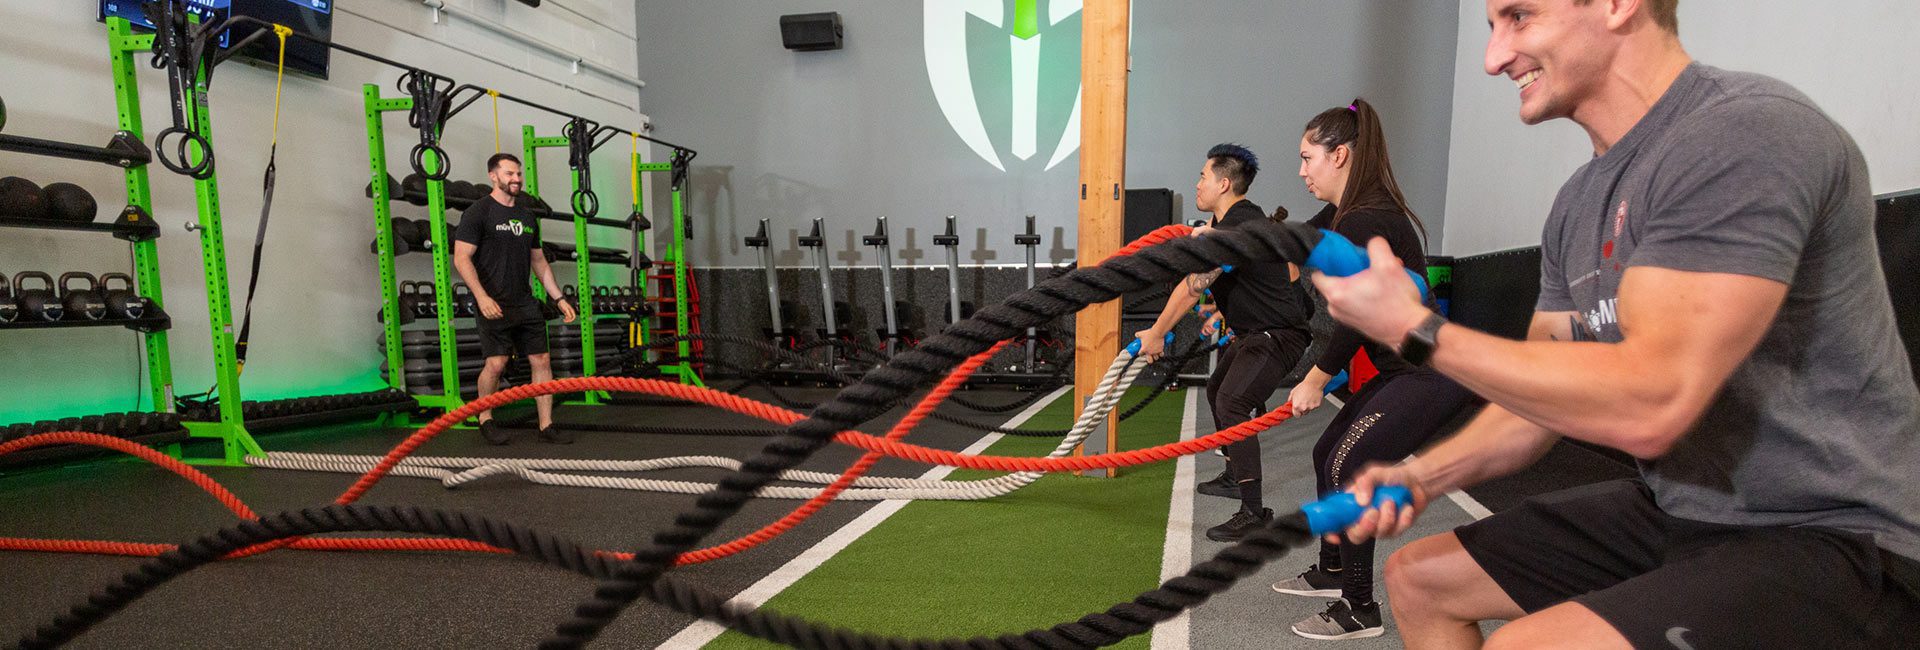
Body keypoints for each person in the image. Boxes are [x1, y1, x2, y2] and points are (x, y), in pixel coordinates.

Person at [1315, 1, 1920, 648]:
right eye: (1491, 27)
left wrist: (1417, 330)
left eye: (1519, 16)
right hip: (1683, 508)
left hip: (1840, 534)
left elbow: (1654, 403)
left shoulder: (1747, 133)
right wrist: (1420, 476)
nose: (1494, 58)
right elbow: (1534, 405)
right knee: (1419, 578)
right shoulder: (1578, 204)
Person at [1268, 98, 1484, 641]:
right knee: (1327, 453)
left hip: (1430, 374)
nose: (1300, 171)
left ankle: (1359, 608)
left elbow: (1359, 319)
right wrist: (1216, 241)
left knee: (1349, 462)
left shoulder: (1368, 219)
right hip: (1401, 372)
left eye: (1306, 158)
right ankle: (1332, 568)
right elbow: (1293, 240)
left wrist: (1316, 377)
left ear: (1338, 155)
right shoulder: (1348, 214)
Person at [1134, 144, 1314, 542]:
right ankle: (1235, 474)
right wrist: (1232, 309)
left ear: (1224, 183)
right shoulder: (1235, 224)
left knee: (1233, 402)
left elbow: (1189, 288)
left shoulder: (1237, 228)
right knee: (1218, 389)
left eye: (1202, 176)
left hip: (1276, 337)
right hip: (1257, 334)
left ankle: (1253, 510)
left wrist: (1157, 332)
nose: (1197, 183)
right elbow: (1282, 273)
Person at [453, 153, 578, 445]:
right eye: (509, 174)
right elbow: (462, 258)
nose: (516, 179)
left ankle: (546, 425)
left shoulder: (526, 215)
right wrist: (481, 297)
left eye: (518, 174)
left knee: (542, 359)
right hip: (493, 301)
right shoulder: (478, 212)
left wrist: (558, 298)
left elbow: (539, 262)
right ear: (493, 176)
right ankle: (485, 417)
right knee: (496, 364)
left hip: (525, 302)